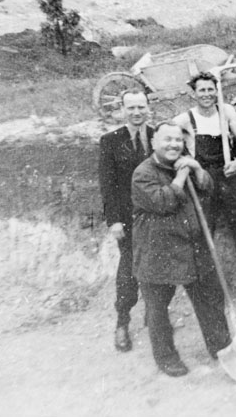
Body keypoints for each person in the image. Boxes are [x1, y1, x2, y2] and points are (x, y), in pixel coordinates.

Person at [131, 121, 231, 377]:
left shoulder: (185, 163)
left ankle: (220, 345)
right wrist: (182, 176)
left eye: (178, 140)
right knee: (157, 308)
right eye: (167, 140)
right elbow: (163, 202)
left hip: (192, 247)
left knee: (209, 299)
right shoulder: (143, 173)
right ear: (154, 143)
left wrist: (197, 169)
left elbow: (208, 187)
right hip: (158, 252)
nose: (174, 144)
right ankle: (166, 358)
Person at [173, 71, 236, 301]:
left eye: (211, 89)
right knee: (202, 232)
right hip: (203, 180)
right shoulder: (184, 120)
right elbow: (166, 141)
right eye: (202, 90)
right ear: (194, 93)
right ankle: (207, 288)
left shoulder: (226, 111)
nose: (208, 94)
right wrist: (188, 163)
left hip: (230, 175)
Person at [98, 88, 153, 352]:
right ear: (122, 110)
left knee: (159, 267)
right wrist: (114, 221)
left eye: (141, 107)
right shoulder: (110, 141)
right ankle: (122, 322)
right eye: (131, 108)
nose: (137, 112)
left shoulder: (158, 137)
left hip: (156, 216)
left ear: (148, 107)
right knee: (129, 269)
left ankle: (154, 317)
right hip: (128, 219)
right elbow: (107, 185)